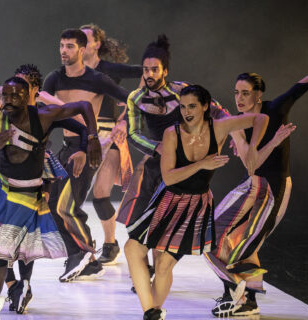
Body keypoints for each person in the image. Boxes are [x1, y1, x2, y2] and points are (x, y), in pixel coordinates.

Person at [206, 72, 308, 317]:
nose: (239, 98)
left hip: (274, 188)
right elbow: (249, 163)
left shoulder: (275, 108)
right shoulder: (241, 122)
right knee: (226, 239)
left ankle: (242, 297)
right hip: (252, 185)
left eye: (245, 93)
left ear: (258, 94)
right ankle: (239, 295)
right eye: (236, 92)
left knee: (245, 244)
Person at [0, 77, 101, 320]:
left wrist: (92, 139)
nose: (8, 100)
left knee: (0, 255)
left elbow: (84, 106)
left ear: (28, 95)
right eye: (5, 95)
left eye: (15, 95)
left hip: (27, 195)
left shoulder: (43, 116)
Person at [125, 84, 268, 320]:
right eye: (182, 107)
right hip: (166, 201)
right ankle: (152, 312)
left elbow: (261, 118)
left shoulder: (220, 127)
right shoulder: (172, 133)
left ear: (204, 106)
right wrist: (202, 164)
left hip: (195, 208)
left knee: (163, 265)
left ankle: (153, 313)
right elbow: (170, 178)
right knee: (132, 249)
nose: (186, 111)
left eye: (192, 106)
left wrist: (252, 149)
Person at [116, 35, 228, 292]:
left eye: (154, 69)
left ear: (165, 71)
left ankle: (158, 274)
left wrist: (231, 134)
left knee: (164, 225)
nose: (149, 74)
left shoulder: (181, 91)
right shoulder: (135, 98)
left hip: (180, 169)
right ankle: (145, 271)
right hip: (154, 166)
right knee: (138, 224)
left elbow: (216, 109)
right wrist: (156, 146)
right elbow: (133, 134)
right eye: (145, 70)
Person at [42, 28, 130, 282]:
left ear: (83, 50)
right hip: (67, 148)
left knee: (67, 206)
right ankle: (87, 258)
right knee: (52, 206)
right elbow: (42, 104)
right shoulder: (55, 78)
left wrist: (123, 124)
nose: (64, 51)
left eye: (70, 46)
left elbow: (129, 100)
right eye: (61, 46)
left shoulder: (97, 79)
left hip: (89, 147)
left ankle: (81, 253)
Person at [5, 64, 91, 314]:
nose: (16, 91)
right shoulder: (7, 110)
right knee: (5, 230)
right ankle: (14, 285)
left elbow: (82, 127)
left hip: (36, 175)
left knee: (25, 231)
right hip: (7, 175)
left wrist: (84, 149)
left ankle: (24, 284)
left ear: (34, 89)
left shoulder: (45, 114)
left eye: (23, 85)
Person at [80, 23, 143, 265]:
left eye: (86, 39)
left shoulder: (108, 69)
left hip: (109, 135)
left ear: (97, 44)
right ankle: (83, 247)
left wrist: (126, 116)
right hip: (85, 135)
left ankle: (110, 243)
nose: (83, 44)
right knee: (74, 197)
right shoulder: (72, 72)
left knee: (100, 196)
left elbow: (145, 72)